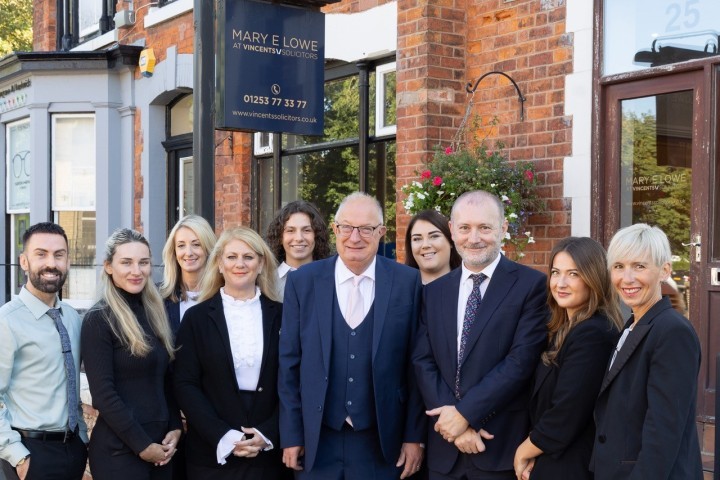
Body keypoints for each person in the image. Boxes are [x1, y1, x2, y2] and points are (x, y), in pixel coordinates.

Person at [279, 192, 426, 479]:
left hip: (383, 441)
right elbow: (288, 365)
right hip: (317, 439)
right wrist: (292, 435)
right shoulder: (303, 282)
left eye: (366, 229)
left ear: (381, 232)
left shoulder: (407, 282)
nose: (354, 237)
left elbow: (416, 365)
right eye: (346, 227)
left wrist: (413, 436)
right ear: (334, 230)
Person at [413, 190, 548, 480]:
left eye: (485, 227)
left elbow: (520, 362)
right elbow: (423, 362)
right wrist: (454, 424)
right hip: (444, 450)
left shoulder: (531, 286)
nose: (474, 238)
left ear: (503, 229)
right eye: (464, 228)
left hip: (498, 448)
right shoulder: (433, 292)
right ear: (451, 230)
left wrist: (465, 416)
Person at [174, 226, 288, 479]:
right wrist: (224, 436)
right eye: (232, 257)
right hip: (211, 453)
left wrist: (268, 433)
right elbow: (184, 384)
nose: (240, 264)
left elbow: (294, 381)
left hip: (269, 453)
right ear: (219, 264)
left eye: (248, 257)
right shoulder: (196, 318)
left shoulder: (283, 316)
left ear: (261, 265)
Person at [591, 223, 702, 480]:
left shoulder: (673, 332)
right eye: (619, 267)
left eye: (639, 266)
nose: (627, 279)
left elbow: (663, 432)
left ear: (664, 270)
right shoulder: (633, 325)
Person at [513, 237, 623, 480]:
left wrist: (523, 451)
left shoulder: (594, 332)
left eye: (573, 274)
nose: (560, 283)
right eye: (555, 272)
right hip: (552, 457)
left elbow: (567, 412)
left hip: (571, 464)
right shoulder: (563, 328)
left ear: (594, 278)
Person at [82, 228, 182, 480]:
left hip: (161, 448)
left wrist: (174, 426)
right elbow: (103, 395)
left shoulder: (154, 312)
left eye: (143, 262)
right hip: (120, 452)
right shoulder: (98, 319)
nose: (136, 271)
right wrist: (142, 446)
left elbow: (164, 380)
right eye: (126, 262)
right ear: (108, 266)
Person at [0, 222, 88, 480]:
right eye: (41, 254)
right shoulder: (6, 321)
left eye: (59, 255)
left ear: (68, 261)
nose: (51, 263)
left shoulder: (72, 318)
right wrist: (18, 454)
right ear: (24, 262)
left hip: (73, 448)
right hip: (30, 453)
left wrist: (81, 437)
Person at [160, 214, 217, 333]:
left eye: (196, 244)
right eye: (181, 246)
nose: (188, 252)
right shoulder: (159, 299)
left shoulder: (224, 296)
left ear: (208, 248)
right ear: (174, 252)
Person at [265, 200, 331, 300]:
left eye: (307, 230)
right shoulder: (267, 284)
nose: (299, 238)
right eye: (290, 230)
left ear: (317, 236)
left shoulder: (332, 279)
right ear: (280, 237)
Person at [405, 209, 462, 284]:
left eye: (434, 236)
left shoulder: (469, 288)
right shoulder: (400, 290)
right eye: (417, 239)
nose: (425, 245)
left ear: (451, 241)